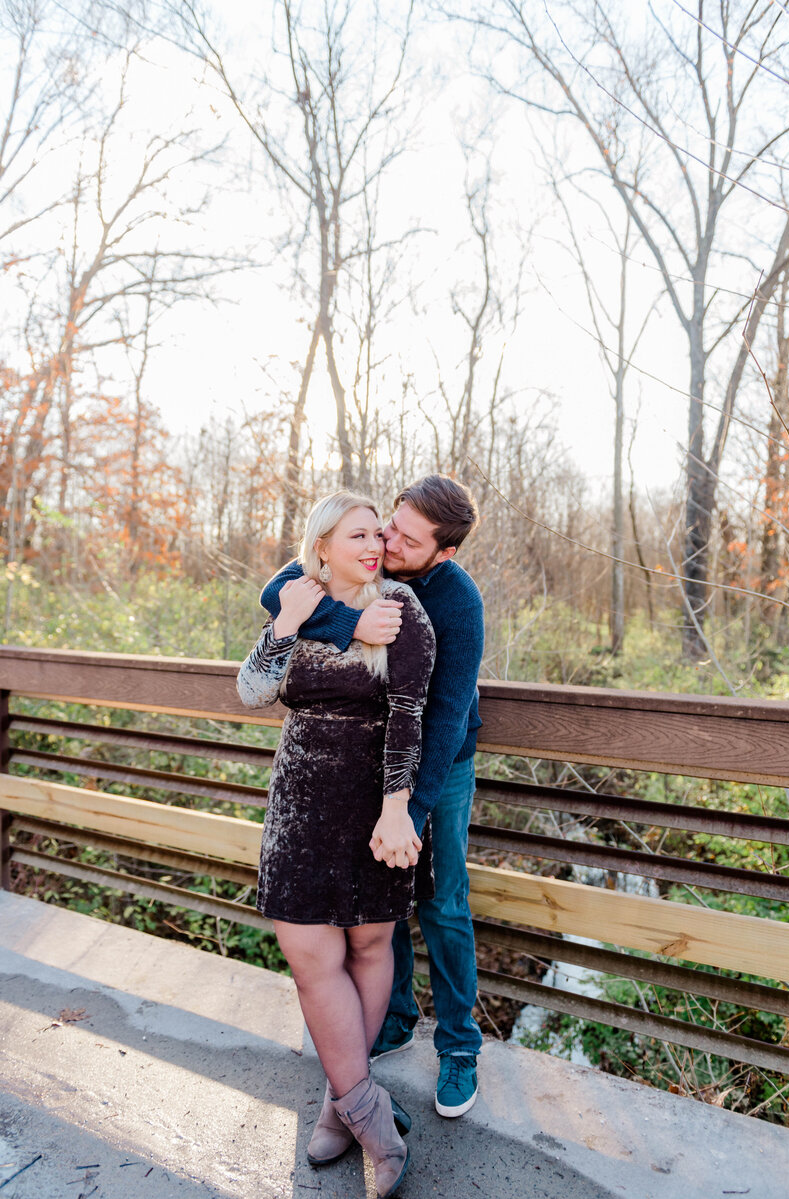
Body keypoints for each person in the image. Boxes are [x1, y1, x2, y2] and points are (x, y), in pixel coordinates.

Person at [261, 475, 484, 1119]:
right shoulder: (367, 552)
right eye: (391, 524)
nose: (387, 542)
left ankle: (459, 1047)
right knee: (387, 897)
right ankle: (392, 1019)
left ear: (442, 554)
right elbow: (278, 590)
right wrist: (351, 621)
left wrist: (409, 809)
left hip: (440, 764)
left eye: (407, 540)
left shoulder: (456, 599)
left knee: (441, 899)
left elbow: (444, 714)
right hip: (366, 760)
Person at [237, 490, 435, 1199]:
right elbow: (253, 689)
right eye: (358, 534)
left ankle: (337, 1101)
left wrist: (396, 808)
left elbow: (410, 713)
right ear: (321, 544)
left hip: (374, 804)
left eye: (377, 535)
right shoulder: (297, 596)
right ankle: (373, 1119)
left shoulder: (401, 610)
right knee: (308, 951)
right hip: (299, 803)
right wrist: (286, 621)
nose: (374, 545)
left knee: (368, 946)